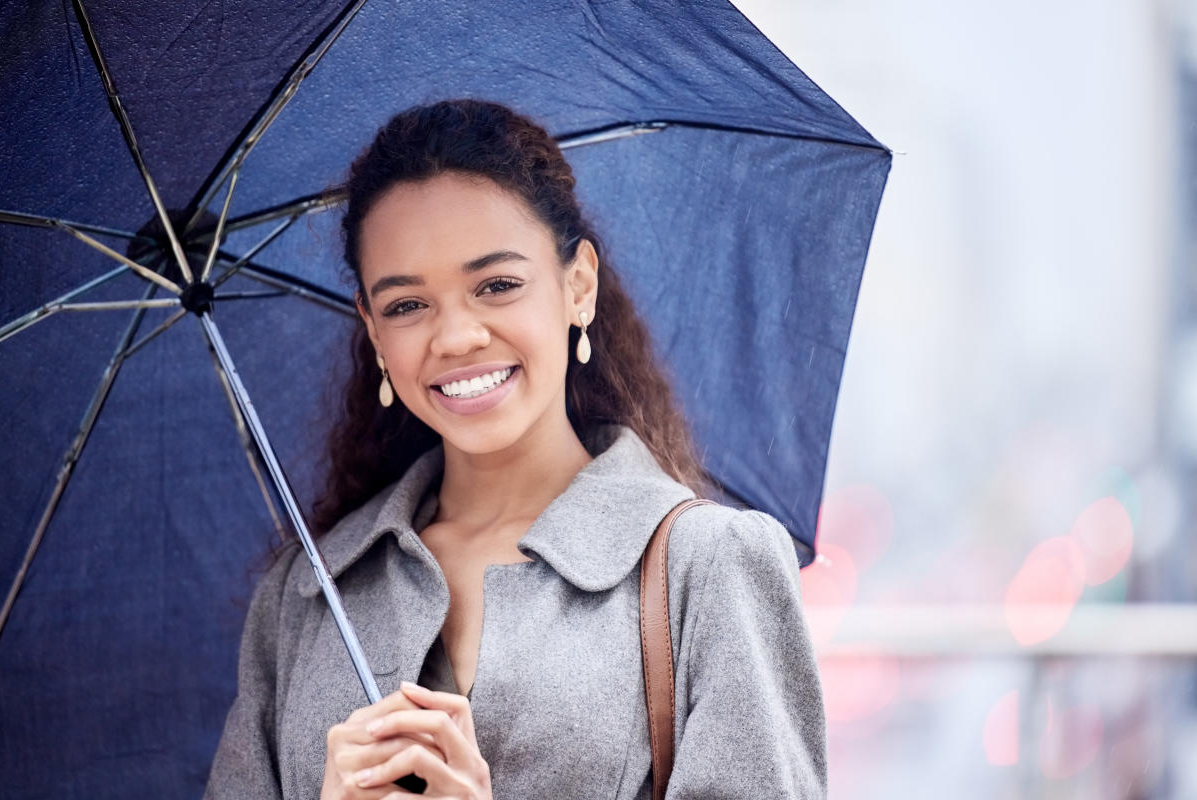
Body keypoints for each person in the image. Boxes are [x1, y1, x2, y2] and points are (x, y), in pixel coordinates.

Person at [203, 98, 826, 800]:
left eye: (496, 285)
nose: (457, 337)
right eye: (407, 305)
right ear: (373, 330)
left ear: (577, 287)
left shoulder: (707, 565)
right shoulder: (305, 596)